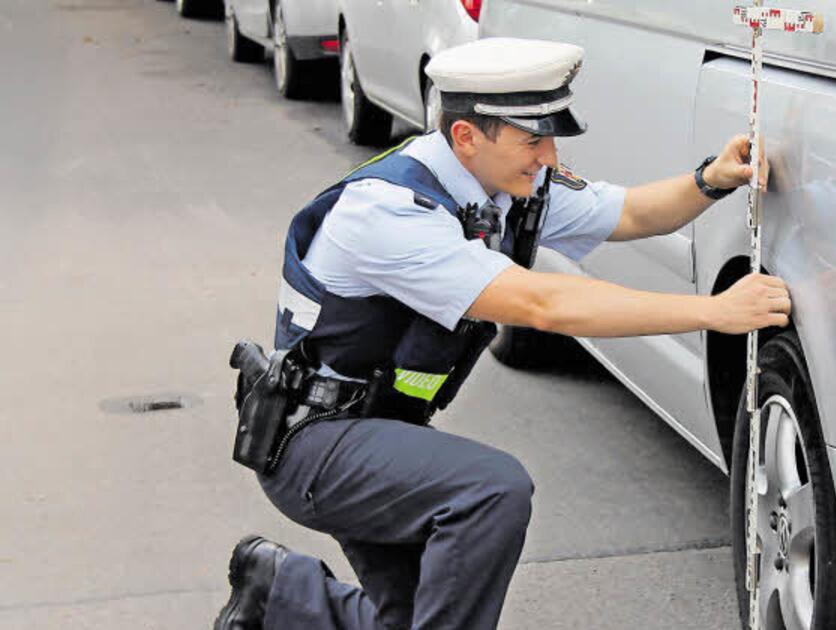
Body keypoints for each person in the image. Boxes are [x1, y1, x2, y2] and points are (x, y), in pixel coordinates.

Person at [214, 37, 790, 630]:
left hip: (377, 428)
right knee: (490, 490)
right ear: (467, 136)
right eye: (532, 139)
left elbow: (634, 214)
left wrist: (713, 179)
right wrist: (713, 311)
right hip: (317, 443)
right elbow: (545, 305)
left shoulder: (505, 190)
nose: (549, 154)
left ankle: (278, 590)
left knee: (411, 616)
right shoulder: (390, 213)